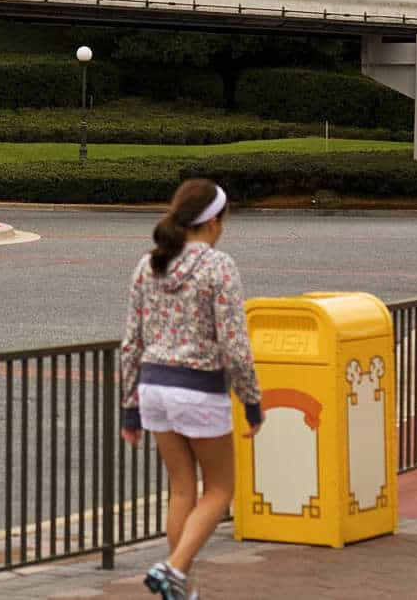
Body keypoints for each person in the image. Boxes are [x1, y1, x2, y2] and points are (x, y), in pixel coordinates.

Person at [119, 180, 261, 600]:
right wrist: (252, 402)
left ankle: (179, 588)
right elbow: (234, 345)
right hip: (198, 389)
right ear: (214, 221)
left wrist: (130, 409)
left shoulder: (149, 264)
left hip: (153, 387)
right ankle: (174, 568)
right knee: (220, 489)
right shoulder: (219, 267)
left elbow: (132, 340)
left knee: (182, 489)